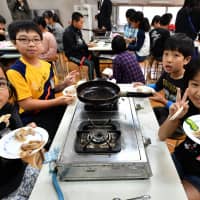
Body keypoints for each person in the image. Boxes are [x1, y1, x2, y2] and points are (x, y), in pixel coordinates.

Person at [6, 20, 77, 149]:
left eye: (36, 39)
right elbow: (26, 104)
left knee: (73, 120)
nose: (31, 44)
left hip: (50, 109)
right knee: (52, 144)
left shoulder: (46, 65)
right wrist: (58, 101)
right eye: (24, 39)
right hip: (32, 116)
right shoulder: (16, 71)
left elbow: (50, 90)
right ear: (14, 43)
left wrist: (64, 84)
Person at [158, 56, 200, 200]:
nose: (198, 93)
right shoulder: (188, 105)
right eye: (195, 84)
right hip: (180, 158)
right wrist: (174, 116)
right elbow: (162, 135)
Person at [0, 65, 39, 199]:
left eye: (1, 83)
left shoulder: (8, 108)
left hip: (22, 172)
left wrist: (26, 131)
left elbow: (17, 133)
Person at [148, 33, 195, 125]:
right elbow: (157, 86)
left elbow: (182, 109)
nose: (168, 59)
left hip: (181, 120)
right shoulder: (167, 72)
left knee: (155, 125)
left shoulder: (189, 81)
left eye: (176, 55)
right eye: (166, 54)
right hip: (168, 110)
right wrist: (144, 87)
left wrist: (163, 101)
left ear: (186, 60)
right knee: (149, 114)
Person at [63, 12, 101, 80]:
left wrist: (88, 45)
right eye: (81, 22)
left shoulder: (78, 30)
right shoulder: (67, 32)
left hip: (80, 52)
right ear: (74, 22)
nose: (82, 25)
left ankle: (99, 77)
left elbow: (81, 42)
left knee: (95, 57)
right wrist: (86, 45)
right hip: (72, 55)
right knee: (90, 64)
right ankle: (91, 83)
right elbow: (72, 48)